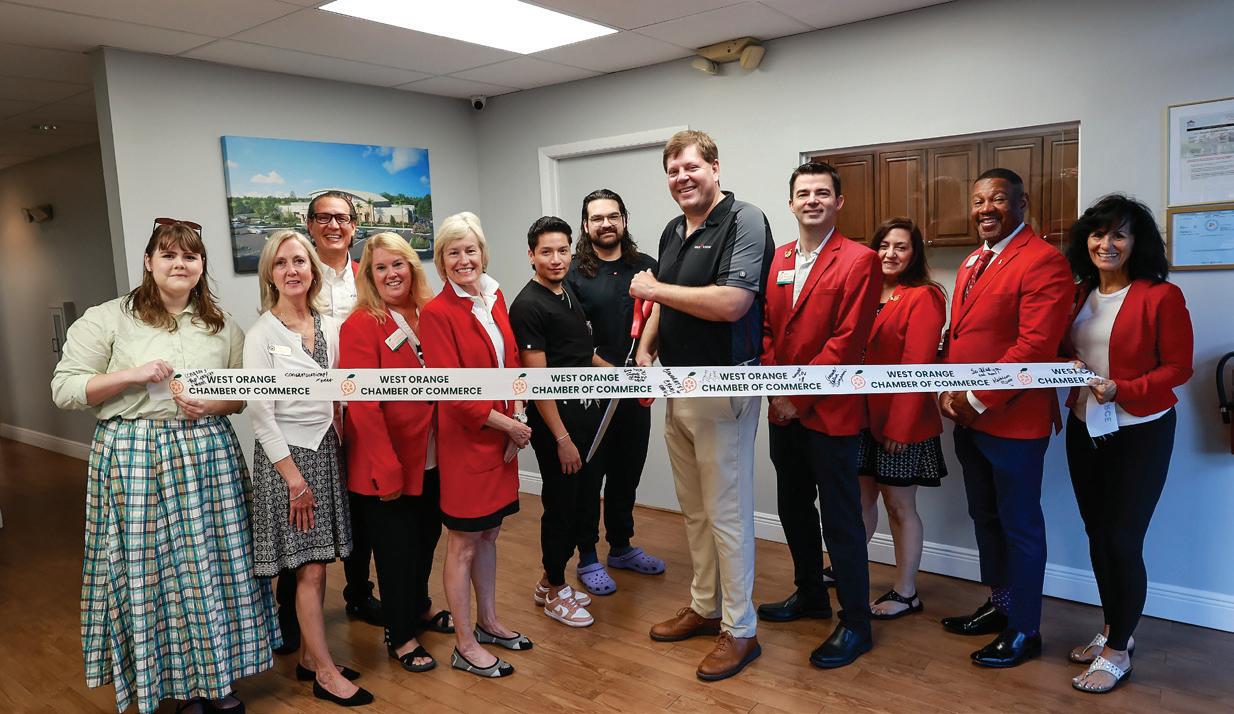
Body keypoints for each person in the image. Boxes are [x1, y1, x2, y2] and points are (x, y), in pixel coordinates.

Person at [51, 218, 276, 714]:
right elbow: (65, 389)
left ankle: (216, 680)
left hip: (208, 454)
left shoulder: (221, 325)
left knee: (215, 566)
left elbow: (240, 394)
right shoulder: (108, 319)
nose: (179, 264)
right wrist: (130, 375)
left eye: (189, 256)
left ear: (201, 266)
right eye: (168, 255)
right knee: (153, 572)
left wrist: (212, 405)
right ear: (149, 262)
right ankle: (172, 685)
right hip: (136, 455)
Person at [631, 129, 774, 681]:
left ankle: (740, 630)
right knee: (694, 508)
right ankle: (705, 605)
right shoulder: (674, 229)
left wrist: (653, 290)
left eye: (691, 167)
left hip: (723, 387)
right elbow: (663, 303)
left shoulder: (744, 220)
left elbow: (732, 303)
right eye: (672, 172)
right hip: (678, 387)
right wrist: (645, 351)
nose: (681, 178)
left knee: (727, 514)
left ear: (714, 167)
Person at [938, 168, 1072, 667]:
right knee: (986, 517)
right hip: (969, 420)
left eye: (997, 199)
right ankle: (1000, 604)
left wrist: (974, 398)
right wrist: (947, 389)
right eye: (978, 201)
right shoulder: (974, 260)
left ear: (1021, 203)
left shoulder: (1044, 261)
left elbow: (1034, 347)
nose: (985, 209)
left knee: (1020, 526)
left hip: (1013, 421)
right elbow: (960, 337)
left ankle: (1025, 629)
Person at [1061, 195, 1192, 693]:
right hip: (1085, 426)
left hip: (1141, 430)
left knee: (1122, 539)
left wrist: (1125, 389)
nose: (1106, 244)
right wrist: (1066, 367)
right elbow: (1064, 350)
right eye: (1098, 234)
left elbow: (1178, 367)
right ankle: (1114, 628)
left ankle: (1118, 652)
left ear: (1138, 243)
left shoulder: (1161, 296)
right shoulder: (1079, 294)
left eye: (1119, 234)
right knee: (1097, 536)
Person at [758, 162, 881, 669]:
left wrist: (798, 396)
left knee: (841, 519)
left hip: (829, 413)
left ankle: (856, 622)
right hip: (782, 412)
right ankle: (810, 594)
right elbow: (766, 329)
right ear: (791, 202)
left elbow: (847, 341)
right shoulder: (778, 258)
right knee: (793, 507)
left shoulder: (860, 260)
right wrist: (775, 390)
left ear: (838, 202)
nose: (812, 200)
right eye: (803, 193)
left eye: (822, 193)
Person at [243, 230, 371, 708]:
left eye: (299, 261)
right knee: (309, 570)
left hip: (325, 451)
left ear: (313, 270)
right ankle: (326, 673)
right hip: (287, 462)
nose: (292, 270)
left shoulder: (329, 326)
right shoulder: (261, 334)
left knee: (316, 567)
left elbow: (339, 392)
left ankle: (308, 659)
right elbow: (261, 415)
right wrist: (295, 480)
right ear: (270, 275)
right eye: (281, 263)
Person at [419, 212, 533, 678]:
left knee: (489, 534)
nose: (463, 260)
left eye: (470, 250)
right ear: (441, 261)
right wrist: (510, 427)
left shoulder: (495, 294)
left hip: (503, 439)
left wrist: (518, 416)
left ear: (483, 253)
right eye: (453, 252)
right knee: (463, 543)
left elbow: (513, 361)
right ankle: (464, 644)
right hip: (469, 445)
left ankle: (488, 622)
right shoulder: (436, 313)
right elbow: (454, 393)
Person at [340, 232, 451, 677]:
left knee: (426, 539)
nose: (391, 274)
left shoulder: (429, 312)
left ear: (412, 267)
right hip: (384, 462)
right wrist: (385, 467)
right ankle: (400, 635)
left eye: (398, 264)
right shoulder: (361, 324)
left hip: (432, 456)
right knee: (396, 551)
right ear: (369, 276)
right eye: (380, 268)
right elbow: (362, 405)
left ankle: (418, 606)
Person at [275, 191, 380, 656]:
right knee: (303, 515)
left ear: (355, 226)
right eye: (323, 218)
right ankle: (288, 614)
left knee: (360, 506)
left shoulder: (367, 278)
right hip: (307, 418)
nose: (334, 226)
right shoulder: (299, 275)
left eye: (342, 218)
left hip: (359, 413)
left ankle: (359, 592)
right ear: (310, 224)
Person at [511, 216, 614, 625]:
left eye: (562, 250)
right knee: (560, 507)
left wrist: (617, 375)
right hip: (559, 424)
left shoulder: (565, 290)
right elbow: (538, 382)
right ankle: (555, 589)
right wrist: (562, 439)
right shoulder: (528, 305)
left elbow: (579, 353)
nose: (556, 259)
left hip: (585, 414)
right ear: (531, 255)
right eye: (546, 252)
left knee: (581, 502)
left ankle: (547, 581)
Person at [565, 189, 666, 588]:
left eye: (613, 216)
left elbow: (659, 316)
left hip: (634, 391)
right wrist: (611, 373)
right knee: (590, 476)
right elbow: (571, 338)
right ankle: (588, 556)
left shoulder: (647, 267)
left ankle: (621, 547)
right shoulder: (573, 273)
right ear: (585, 225)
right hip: (590, 394)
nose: (605, 224)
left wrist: (645, 357)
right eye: (597, 218)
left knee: (627, 471)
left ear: (624, 219)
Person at [857, 217, 948, 620]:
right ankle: (848, 568)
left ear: (914, 254)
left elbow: (917, 365)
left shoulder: (925, 296)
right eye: (884, 245)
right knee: (860, 500)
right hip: (860, 418)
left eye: (901, 247)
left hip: (901, 422)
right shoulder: (864, 294)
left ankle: (906, 591)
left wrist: (899, 426)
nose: (890, 254)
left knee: (898, 505)